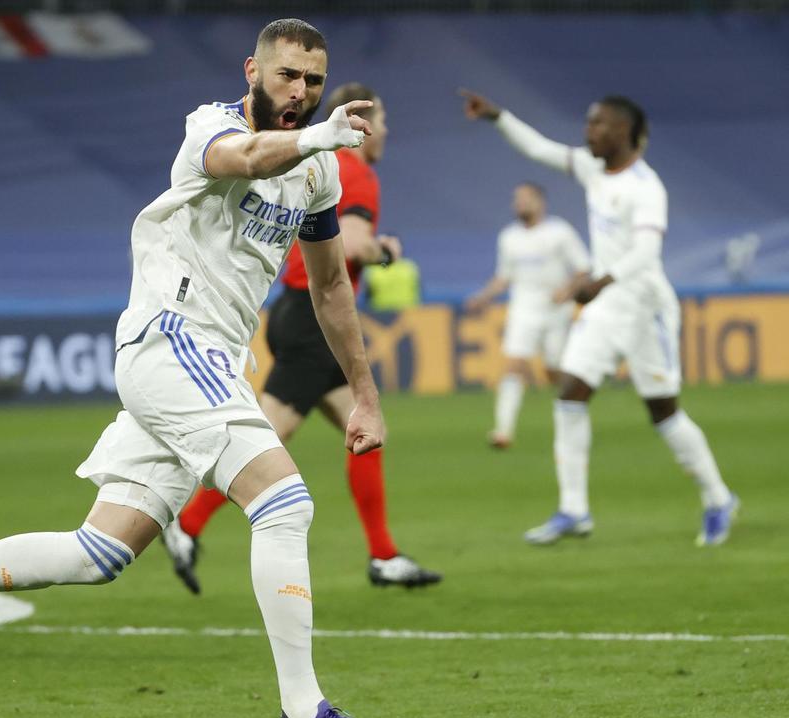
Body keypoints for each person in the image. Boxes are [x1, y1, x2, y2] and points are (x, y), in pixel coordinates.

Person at [0, 20, 408, 718]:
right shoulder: (213, 127)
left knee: (96, 552)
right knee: (285, 502)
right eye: (286, 75)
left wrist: (364, 395)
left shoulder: (317, 170)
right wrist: (319, 136)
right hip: (170, 339)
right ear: (252, 71)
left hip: (209, 363)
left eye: (313, 81)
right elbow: (246, 156)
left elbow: (331, 287)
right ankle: (306, 715)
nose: (299, 92)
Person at [161, 83, 440, 596]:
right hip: (314, 320)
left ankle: (383, 555)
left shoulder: (324, 163)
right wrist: (387, 252)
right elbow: (354, 246)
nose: (385, 133)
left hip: (296, 313)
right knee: (261, 438)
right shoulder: (353, 171)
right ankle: (185, 522)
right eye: (382, 120)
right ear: (364, 121)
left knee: (366, 430)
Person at [460, 89, 738, 546]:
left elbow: (647, 252)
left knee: (664, 413)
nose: (588, 131)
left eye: (598, 124)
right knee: (570, 394)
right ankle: (574, 510)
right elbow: (540, 149)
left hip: (645, 307)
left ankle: (717, 497)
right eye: (588, 123)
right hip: (607, 307)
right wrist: (498, 117)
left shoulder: (645, 188)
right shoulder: (594, 169)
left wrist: (600, 281)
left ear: (624, 131)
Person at [465, 182, 591, 449]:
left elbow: (583, 269)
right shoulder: (509, 237)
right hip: (524, 308)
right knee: (514, 364)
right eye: (516, 199)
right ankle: (503, 431)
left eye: (524, 199)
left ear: (540, 202)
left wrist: (568, 291)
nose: (519, 204)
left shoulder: (559, 232)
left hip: (556, 311)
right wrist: (483, 297)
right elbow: (504, 277)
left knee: (553, 371)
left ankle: (574, 413)